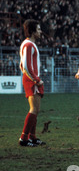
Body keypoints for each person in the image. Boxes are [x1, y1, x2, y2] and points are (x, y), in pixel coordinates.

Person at [18, 19, 46, 147]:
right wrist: (36, 79)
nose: (40, 31)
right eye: (39, 29)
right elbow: (26, 67)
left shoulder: (29, 44)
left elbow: (21, 64)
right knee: (34, 109)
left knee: (36, 109)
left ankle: (32, 137)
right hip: (32, 80)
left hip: (32, 79)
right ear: (33, 31)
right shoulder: (28, 45)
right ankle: (24, 138)